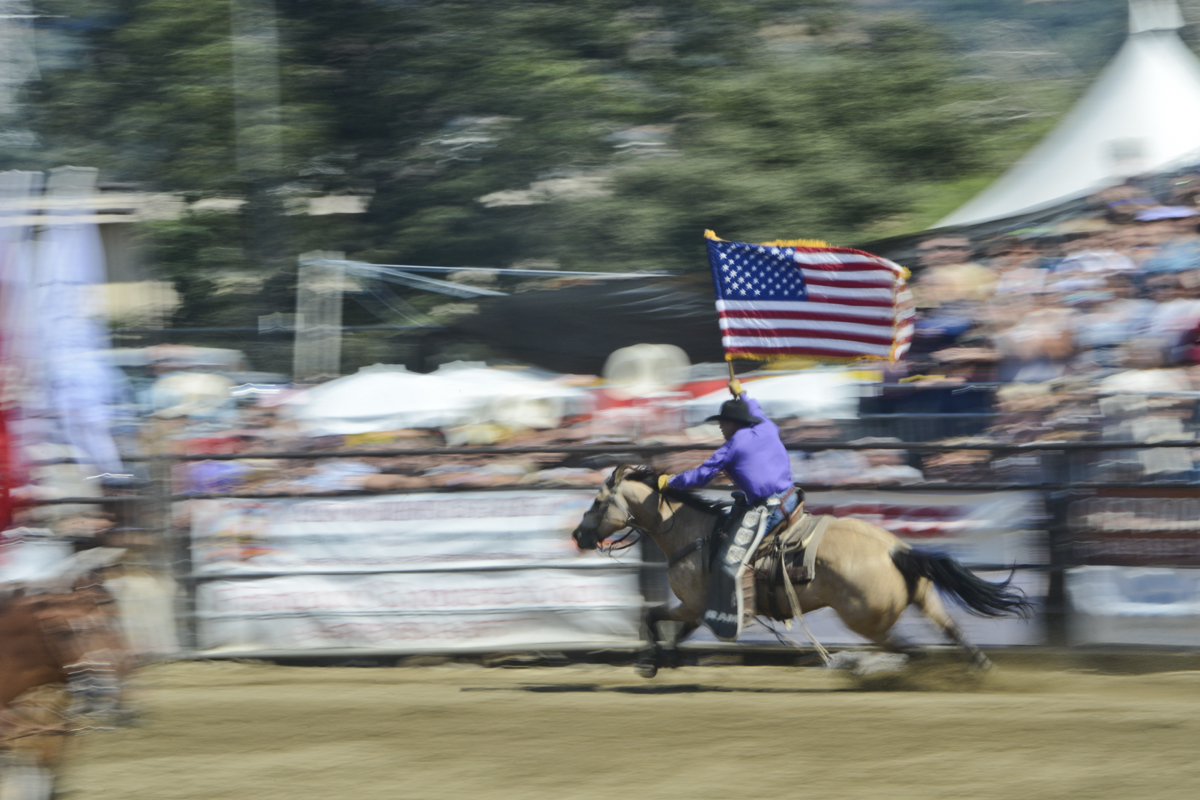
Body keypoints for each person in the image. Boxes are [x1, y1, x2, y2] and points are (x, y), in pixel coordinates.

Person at [657, 377, 799, 640]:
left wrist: (670, 482)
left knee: (728, 559)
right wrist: (742, 393)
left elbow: (701, 476)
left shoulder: (732, 446)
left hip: (769, 508)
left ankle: (741, 612)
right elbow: (756, 410)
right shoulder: (767, 427)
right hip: (792, 497)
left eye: (722, 422)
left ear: (734, 423)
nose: (720, 427)